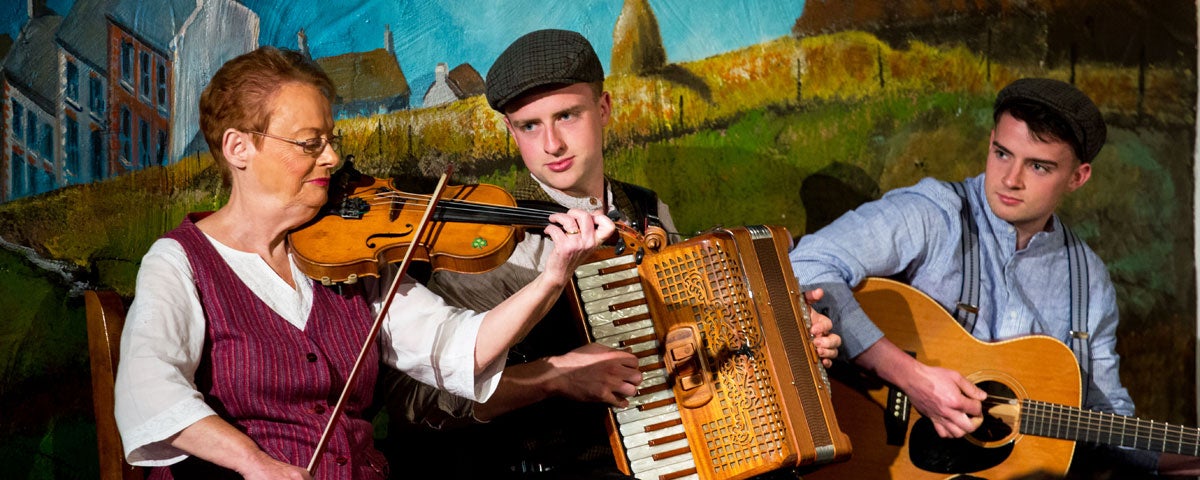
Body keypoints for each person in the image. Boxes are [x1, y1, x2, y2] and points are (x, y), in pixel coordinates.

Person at [112, 46, 615, 480]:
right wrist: (254, 463)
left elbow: (460, 350)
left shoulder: (351, 256)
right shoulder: (181, 261)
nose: (331, 158)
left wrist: (553, 277)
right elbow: (150, 392)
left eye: (331, 140)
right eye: (310, 143)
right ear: (239, 147)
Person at [379, 29, 842, 479]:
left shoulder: (647, 209)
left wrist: (788, 343)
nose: (552, 145)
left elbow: (682, 340)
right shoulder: (493, 241)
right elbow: (414, 405)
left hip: (676, 451)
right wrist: (551, 377)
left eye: (567, 116)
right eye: (529, 126)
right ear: (509, 129)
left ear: (603, 108)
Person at [789, 77, 1200, 475]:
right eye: (1002, 153)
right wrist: (909, 377)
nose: (1010, 179)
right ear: (990, 143)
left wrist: (1181, 459)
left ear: (1078, 177)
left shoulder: (1088, 281)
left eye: (1038, 166)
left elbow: (1108, 425)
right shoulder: (933, 214)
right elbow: (805, 263)